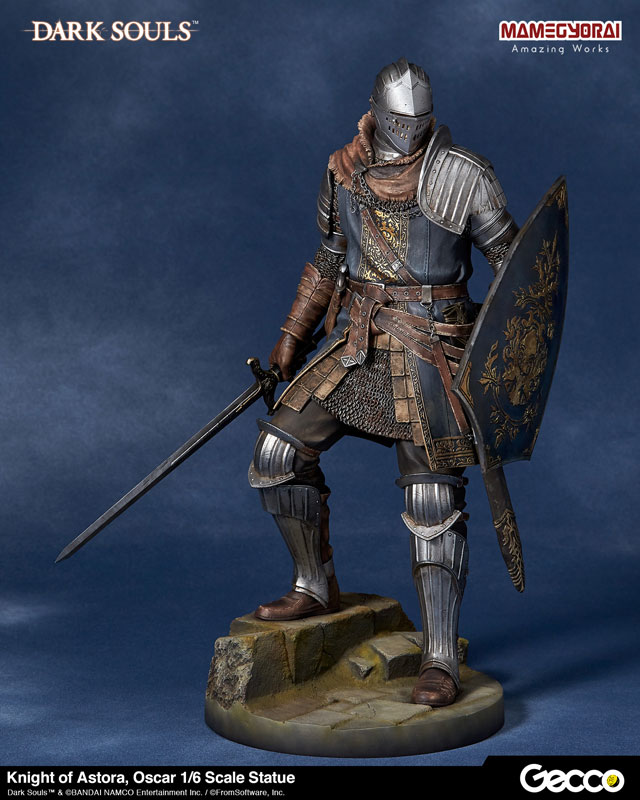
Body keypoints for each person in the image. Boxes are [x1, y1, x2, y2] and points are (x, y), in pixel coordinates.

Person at [247, 58, 518, 707]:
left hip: (431, 349)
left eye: (418, 119)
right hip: (358, 340)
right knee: (278, 453)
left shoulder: (463, 175)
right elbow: (330, 257)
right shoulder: (344, 169)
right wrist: (292, 332)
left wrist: (490, 350)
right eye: (399, 118)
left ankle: (440, 655)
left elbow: (514, 268)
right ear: (376, 113)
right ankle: (314, 586)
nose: (408, 129)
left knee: (432, 501)